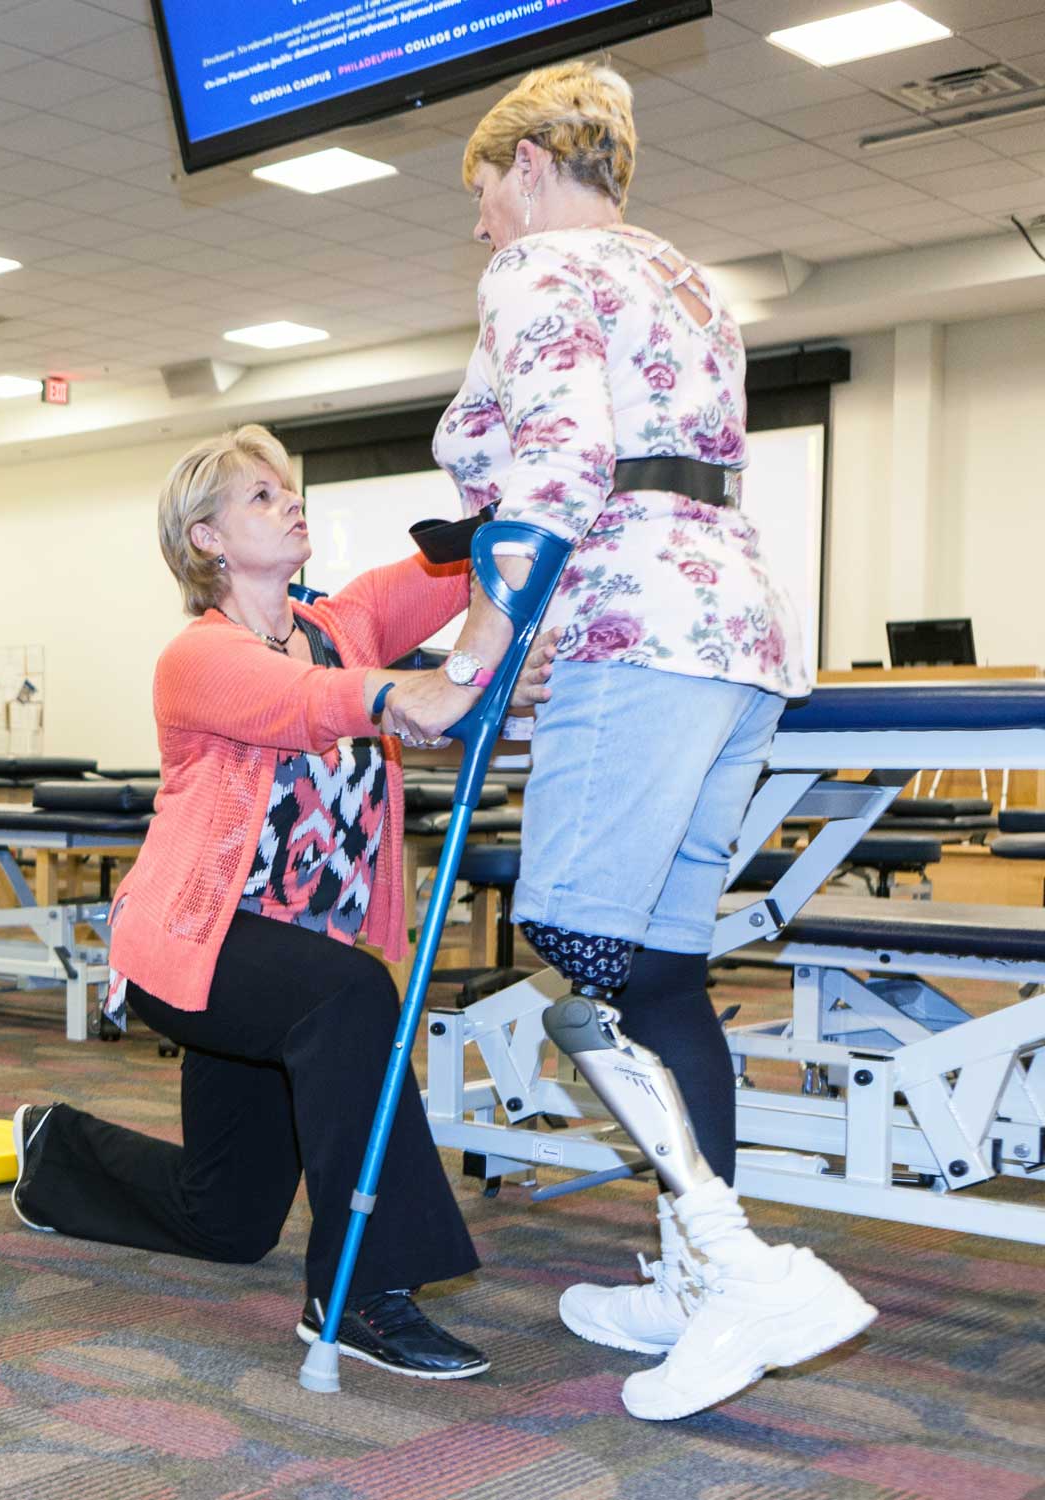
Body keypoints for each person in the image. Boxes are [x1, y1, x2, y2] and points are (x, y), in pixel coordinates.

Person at [382, 60, 876, 1419]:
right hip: (737, 634)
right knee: (658, 965)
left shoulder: (540, 266)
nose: (482, 227)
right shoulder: (688, 275)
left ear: (530, 168)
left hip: (635, 629)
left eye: (482, 196)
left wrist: (476, 658)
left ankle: (736, 1264)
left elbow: (554, 463)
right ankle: (692, 1273)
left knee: (574, 943)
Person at [8, 423, 557, 1381]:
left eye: (289, 488)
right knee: (351, 996)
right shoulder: (200, 657)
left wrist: (523, 502)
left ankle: (54, 1151)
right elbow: (328, 702)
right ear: (208, 539)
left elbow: (473, 556)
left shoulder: (342, 624)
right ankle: (359, 1294)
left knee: (226, 1219)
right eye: (261, 497)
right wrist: (461, 683)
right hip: (193, 949)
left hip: (285, 967)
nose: (290, 502)